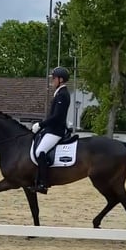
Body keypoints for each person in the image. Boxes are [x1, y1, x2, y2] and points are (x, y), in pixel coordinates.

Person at [31, 66, 71, 194]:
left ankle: (43, 183)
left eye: (53, 78)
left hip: (56, 130)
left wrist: (41, 125)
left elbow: (56, 117)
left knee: (40, 151)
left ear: (60, 79)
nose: (52, 81)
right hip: (51, 129)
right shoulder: (59, 93)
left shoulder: (63, 94)